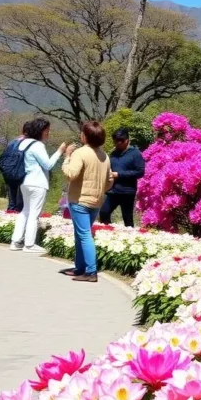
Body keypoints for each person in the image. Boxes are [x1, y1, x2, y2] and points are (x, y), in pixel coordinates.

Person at [61, 121, 114, 283]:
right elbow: (110, 180)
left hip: (80, 200)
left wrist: (66, 158)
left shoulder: (80, 153)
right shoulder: (104, 156)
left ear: (85, 136)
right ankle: (80, 267)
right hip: (96, 201)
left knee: (84, 235)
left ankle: (91, 271)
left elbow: (71, 174)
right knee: (81, 234)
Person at [10, 118, 66, 253]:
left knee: (25, 211)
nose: (48, 133)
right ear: (40, 131)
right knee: (34, 213)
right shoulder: (38, 145)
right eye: (47, 130)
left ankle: (15, 241)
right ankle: (29, 244)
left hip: (25, 182)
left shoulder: (23, 143)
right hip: (37, 183)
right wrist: (60, 151)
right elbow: (48, 164)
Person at [99, 128, 146, 227]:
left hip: (127, 192)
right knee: (104, 213)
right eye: (116, 141)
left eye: (121, 141)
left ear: (127, 140)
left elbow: (140, 172)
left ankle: (129, 239)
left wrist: (119, 174)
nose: (118, 143)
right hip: (113, 191)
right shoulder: (113, 154)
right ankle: (107, 233)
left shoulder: (135, 154)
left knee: (127, 219)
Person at [3, 122, 30, 213]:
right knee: (21, 195)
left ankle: (11, 210)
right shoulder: (29, 143)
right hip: (22, 170)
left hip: (9, 170)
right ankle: (19, 211)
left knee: (11, 192)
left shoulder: (12, 142)